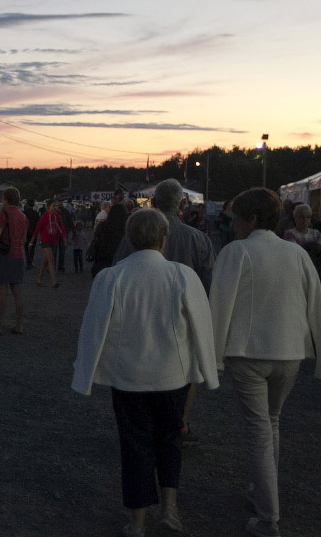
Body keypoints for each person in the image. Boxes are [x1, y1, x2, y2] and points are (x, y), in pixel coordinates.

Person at [72, 208, 218, 537]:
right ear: (163, 238)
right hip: (173, 377)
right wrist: (208, 370)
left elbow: (93, 329)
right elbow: (202, 327)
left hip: (128, 378)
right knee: (170, 439)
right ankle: (169, 509)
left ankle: (136, 522)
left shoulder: (110, 277)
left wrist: (85, 374)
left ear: (130, 238)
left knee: (135, 444)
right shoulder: (183, 276)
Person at [209, 188, 321, 537]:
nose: (232, 224)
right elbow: (315, 304)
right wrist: (320, 353)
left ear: (250, 219)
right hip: (290, 352)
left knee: (260, 431)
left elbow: (220, 305)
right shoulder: (296, 253)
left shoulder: (237, 252)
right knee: (272, 422)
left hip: (247, 353)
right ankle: (263, 493)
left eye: (236, 218)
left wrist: (211, 357)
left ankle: (268, 518)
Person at [113, 179, 216, 444]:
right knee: (188, 370)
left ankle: (148, 422)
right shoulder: (198, 239)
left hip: (143, 314)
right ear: (182, 204)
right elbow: (209, 283)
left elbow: (118, 273)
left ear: (155, 203)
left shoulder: (132, 237)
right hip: (185, 315)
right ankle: (180, 421)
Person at [0, 187, 28, 335]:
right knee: (17, 291)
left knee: (1, 293)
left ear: (5, 199)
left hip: (3, 256)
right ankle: (19, 325)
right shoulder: (23, 216)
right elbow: (23, 240)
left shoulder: (3, 214)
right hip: (18, 255)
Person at [87, 202, 129, 276]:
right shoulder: (126, 229)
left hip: (102, 262)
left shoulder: (103, 226)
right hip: (121, 264)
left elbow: (97, 242)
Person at [29, 200, 63, 288]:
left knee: (45, 261)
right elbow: (37, 228)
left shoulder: (57, 217)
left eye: (56, 206)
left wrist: (64, 239)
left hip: (54, 241)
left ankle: (39, 279)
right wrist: (31, 241)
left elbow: (61, 228)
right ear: (48, 207)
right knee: (51, 259)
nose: (55, 207)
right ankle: (54, 281)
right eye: (53, 205)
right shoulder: (44, 216)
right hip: (45, 240)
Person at [56, 200, 76, 273]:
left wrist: (74, 232)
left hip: (64, 233)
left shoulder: (66, 212)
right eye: (59, 202)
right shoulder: (54, 211)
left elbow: (70, 221)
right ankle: (52, 266)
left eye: (61, 202)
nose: (60, 204)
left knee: (62, 250)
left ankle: (60, 266)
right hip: (55, 234)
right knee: (53, 251)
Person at [23, 198, 40, 269]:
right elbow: (38, 223)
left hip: (26, 232)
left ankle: (28, 262)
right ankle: (30, 261)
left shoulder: (24, 213)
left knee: (26, 248)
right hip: (33, 232)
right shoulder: (36, 213)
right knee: (32, 248)